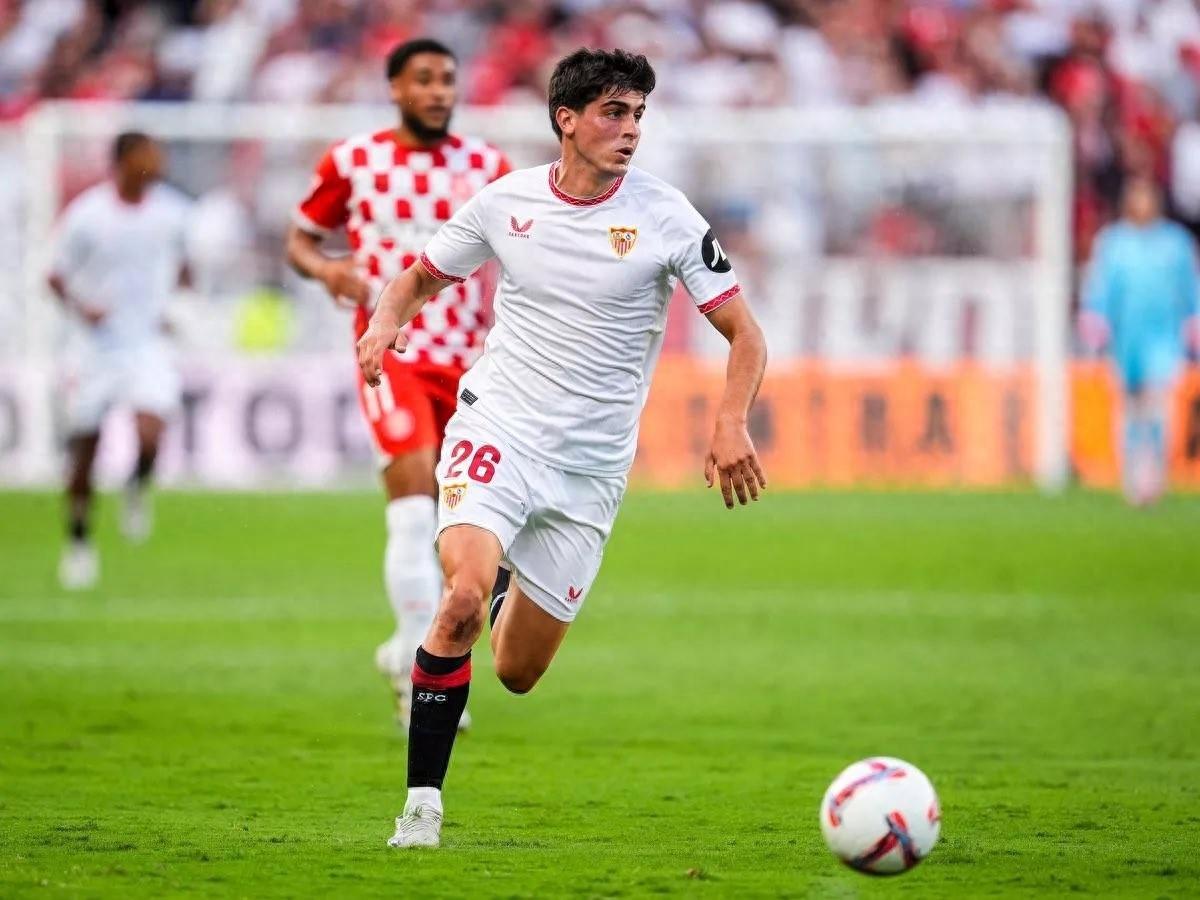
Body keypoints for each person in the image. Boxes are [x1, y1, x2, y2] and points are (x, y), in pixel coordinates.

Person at [357, 48, 768, 848]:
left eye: (639, 114)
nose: (631, 130)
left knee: (516, 672)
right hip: (499, 428)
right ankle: (421, 807)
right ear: (566, 120)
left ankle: (509, 575)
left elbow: (745, 333)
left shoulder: (667, 216)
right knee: (460, 598)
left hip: (589, 470)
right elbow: (418, 277)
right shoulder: (505, 203)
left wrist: (730, 421)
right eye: (615, 113)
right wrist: (384, 323)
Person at [286, 38, 510, 727]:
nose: (439, 91)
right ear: (395, 88)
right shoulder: (353, 160)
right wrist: (328, 270)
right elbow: (300, 239)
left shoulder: (488, 167)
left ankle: (412, 648)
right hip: (393, 354)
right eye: (425, 79)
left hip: (472, 362)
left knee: (457, 520)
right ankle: (420, 674)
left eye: (448, 79)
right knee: (412, 504)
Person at [49, 132, 191, 590]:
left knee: (151, 432)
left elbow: (186, 266)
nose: (158, 161)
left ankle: (135, 484)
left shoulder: (172, 212)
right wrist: (83, 307)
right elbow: (54, 276)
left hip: (148, 342)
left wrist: (178, 303)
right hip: (95, 347)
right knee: (85, 448)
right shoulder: (87, 215)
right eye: (148, 154)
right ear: (124, 161)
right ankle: (78, 541)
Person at [1080, 176, 1200, 505]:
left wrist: (1194, 321)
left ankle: (1154, 474)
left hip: (1164, 337)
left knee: (1158, 403)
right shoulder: (1114, 243)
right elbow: (1100, 288)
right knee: (1130, 407)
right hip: (1126, 338)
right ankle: (1132, 473)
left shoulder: (1175, 243)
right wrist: (1095, 320)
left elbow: (1191, 287)